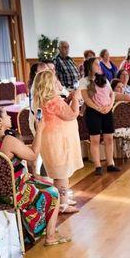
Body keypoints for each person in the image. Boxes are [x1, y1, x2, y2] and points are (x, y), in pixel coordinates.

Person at [0, 106, 70, 246]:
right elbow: (33, 155)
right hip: (13, 191)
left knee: (39, 183)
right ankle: (50, 236)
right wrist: (39, 130)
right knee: (53, 191)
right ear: (0, 120)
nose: (10, 117)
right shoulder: (8, 141)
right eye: (6, 115)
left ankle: (36, 231)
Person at [31, 70, 83, 213]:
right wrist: (76, 99)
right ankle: (62, 204)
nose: (59, 82)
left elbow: (61, 112)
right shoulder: (54, 101)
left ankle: (62, 199)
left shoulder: (44, 101)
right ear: (50, 85)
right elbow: (72, 114)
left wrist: (68, 100)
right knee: (62, 174)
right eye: (56, 81)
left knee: (60, 173)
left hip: (51, 141)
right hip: (59, 142)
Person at [79, 57, 120, 175]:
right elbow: (86, 99)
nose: (99, 66)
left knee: (109, 138)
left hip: (107, 110)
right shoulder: (84, 81)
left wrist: (109, 106)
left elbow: (112, 94)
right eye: (96, 64)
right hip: (93, 112)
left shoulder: (105, 79)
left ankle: (110, 163)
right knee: (95, 140)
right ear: (90, 67)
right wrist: (98, 108)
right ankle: (97, 166)